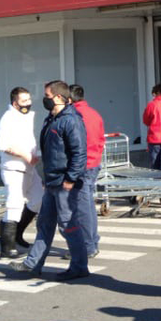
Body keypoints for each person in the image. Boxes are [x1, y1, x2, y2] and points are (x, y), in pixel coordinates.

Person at [11, 80, 89, 281]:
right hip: (53, 181)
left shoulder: (71, 120)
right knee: (44, 224)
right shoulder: (51, 118)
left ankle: (79, 266)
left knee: (68, 225)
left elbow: (79, 153)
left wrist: (71, 179)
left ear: (59, 98)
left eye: (47, 96)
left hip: (65, 183)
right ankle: (33, 265)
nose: (44, 100)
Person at [0, 87, 41, 258]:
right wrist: (25, 155)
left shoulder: (26, 117)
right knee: (14, 206)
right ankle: (7, 249)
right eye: (23, 101)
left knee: (38, 200)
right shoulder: (8, 119)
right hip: (13, 168)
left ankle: (17, 235)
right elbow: (2, 145)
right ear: (15, 103)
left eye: (29, 100)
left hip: (29, 168)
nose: (28, 103)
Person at [69, 84, 104, 259]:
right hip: (93, 163)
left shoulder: (75, 116)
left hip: (82, 165)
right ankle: (91, 241)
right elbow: (99, 139)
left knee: (82, 206)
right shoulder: (94, 113)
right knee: (87, 204)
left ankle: (88, 245)